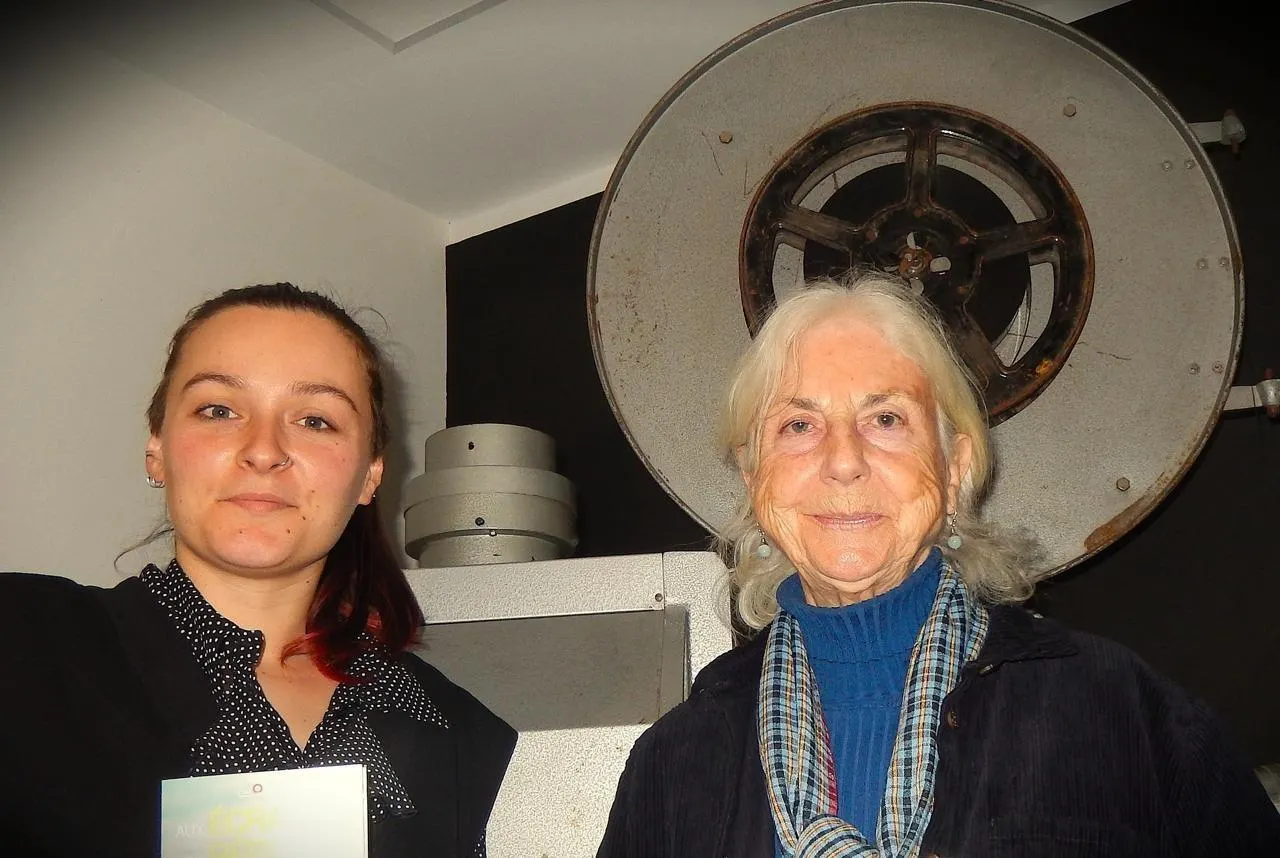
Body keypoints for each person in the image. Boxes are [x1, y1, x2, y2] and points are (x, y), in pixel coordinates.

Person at [598, 273, 1280, 857]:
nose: (843, 461)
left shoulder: (1117, 709)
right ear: (755, 482)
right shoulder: (674, 763)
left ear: (954, 469)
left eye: (886, 419)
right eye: (798, 425)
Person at [0, 283, 515, 857]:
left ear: (370, 474)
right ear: (157, 449)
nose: (264, 450)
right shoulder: (21, 645)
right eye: (218, 410)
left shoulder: (464, 735)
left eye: (315, 420)